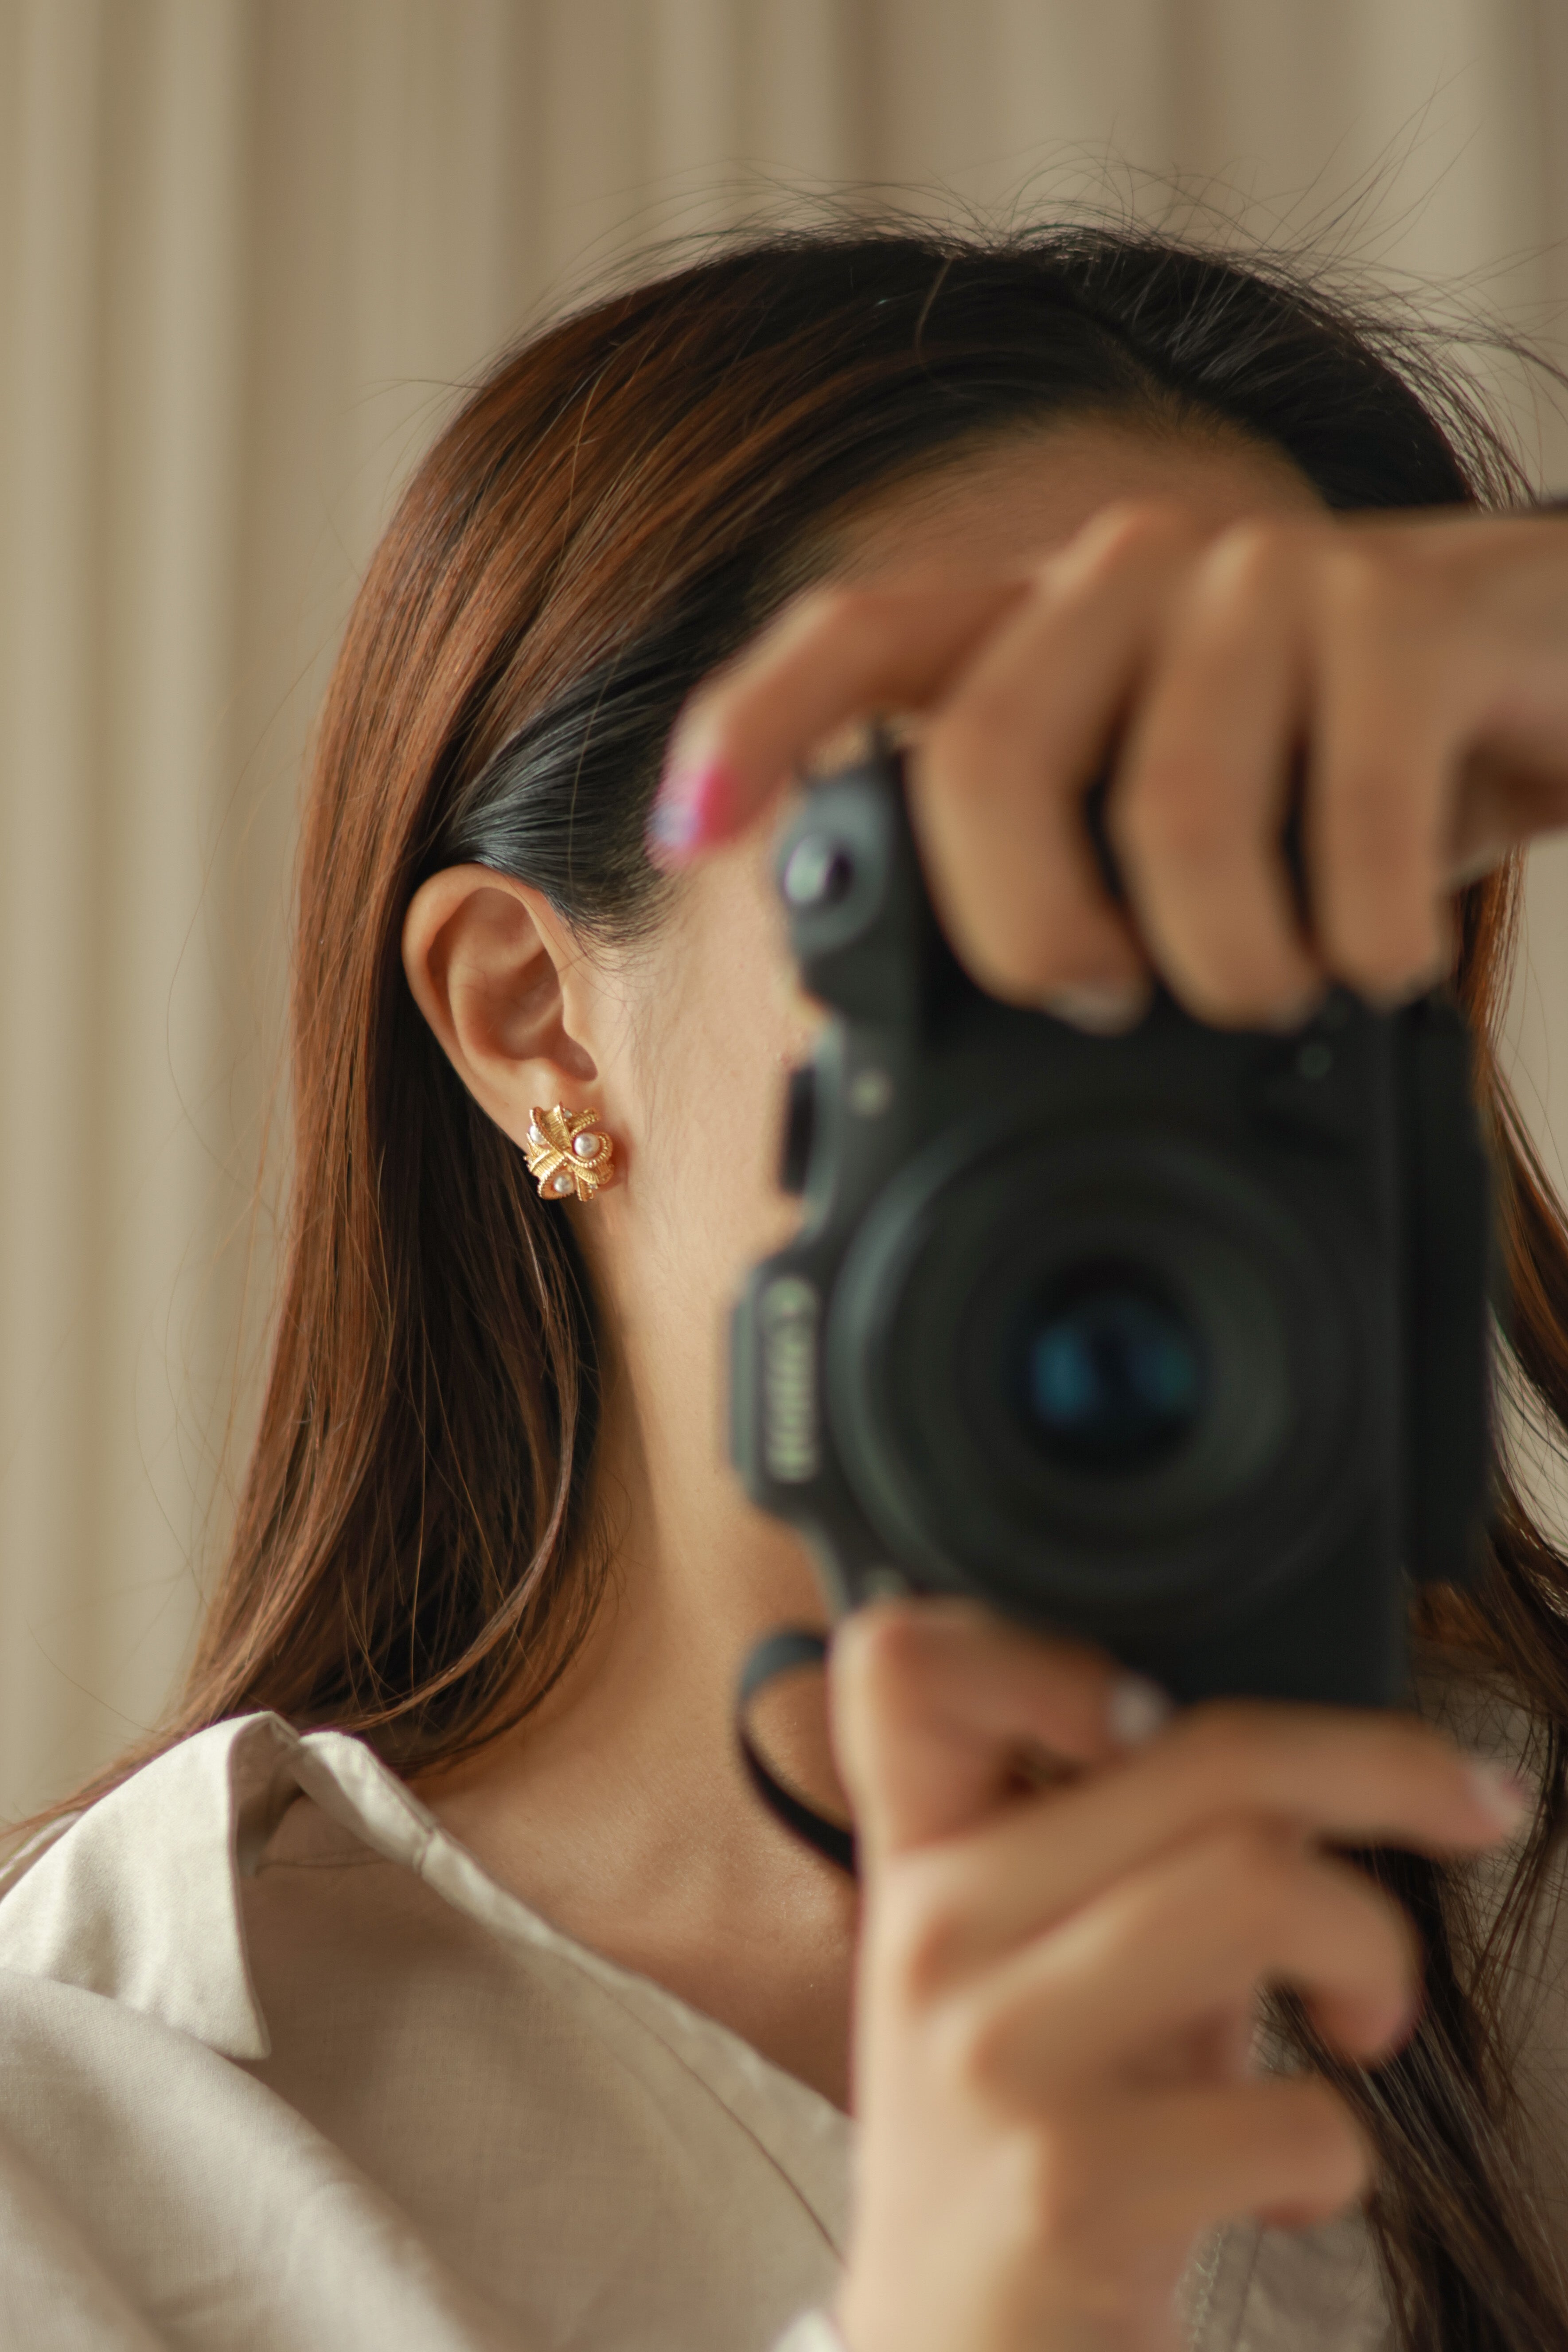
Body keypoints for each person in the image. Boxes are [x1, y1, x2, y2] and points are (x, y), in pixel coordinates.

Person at [4, 223, 1568, 2352]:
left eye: (1308, 870)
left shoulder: (1524, 1912)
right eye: (1008, 856)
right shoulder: (90, 2113)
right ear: (537, 1023)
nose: (1188, 1013)